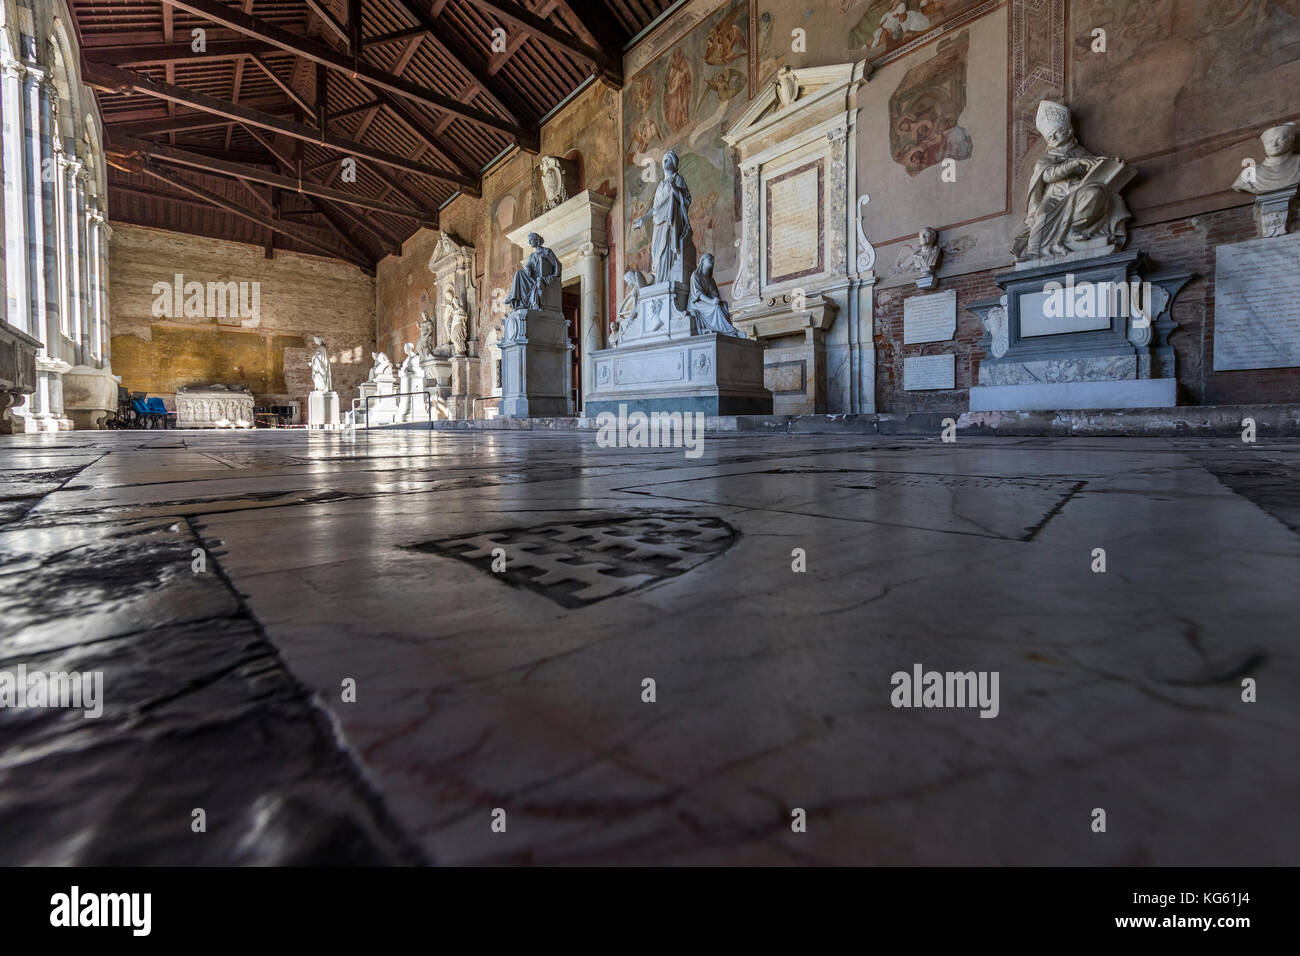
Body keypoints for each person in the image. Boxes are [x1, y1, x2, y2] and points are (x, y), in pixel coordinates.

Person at [633, 149, 693, 283]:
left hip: (670, 222)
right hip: (658, 224)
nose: (665, 159)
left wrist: (675, 188)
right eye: (664, 158)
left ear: (674, 163)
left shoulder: (678, 179)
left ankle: (666, 281)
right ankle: (659, 281)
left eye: (668, 158)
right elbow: (655, 209)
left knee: (667, 251)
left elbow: (686, 200)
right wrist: (643, 219)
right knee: (657, 254)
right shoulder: (660, 185)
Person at [687, 254, 746, 338]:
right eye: (709, 259)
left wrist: (716, 298)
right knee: (716, 308)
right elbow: (698, 293)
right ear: (702, 261)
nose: (712, 260)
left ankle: (727, 331)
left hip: (706, 301)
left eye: (713, 259)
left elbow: (714, 292)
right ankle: (732, 332)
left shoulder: (711, 279)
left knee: (724, 305)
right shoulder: (696, 275)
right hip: (696, 303)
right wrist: (711, 301)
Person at [505, 233, 561, 312]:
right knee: (519, 273)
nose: (529, 243)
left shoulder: (546, 251)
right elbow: (528, 265)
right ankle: (514, 297)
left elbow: (557, 264)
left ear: (537, 240)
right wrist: (528, 268)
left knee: (538, 281)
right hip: (533, 277)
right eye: (529, 241)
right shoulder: (532, 255)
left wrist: (554, 277)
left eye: (531, 240)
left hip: (543, 277)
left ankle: (534, 305)